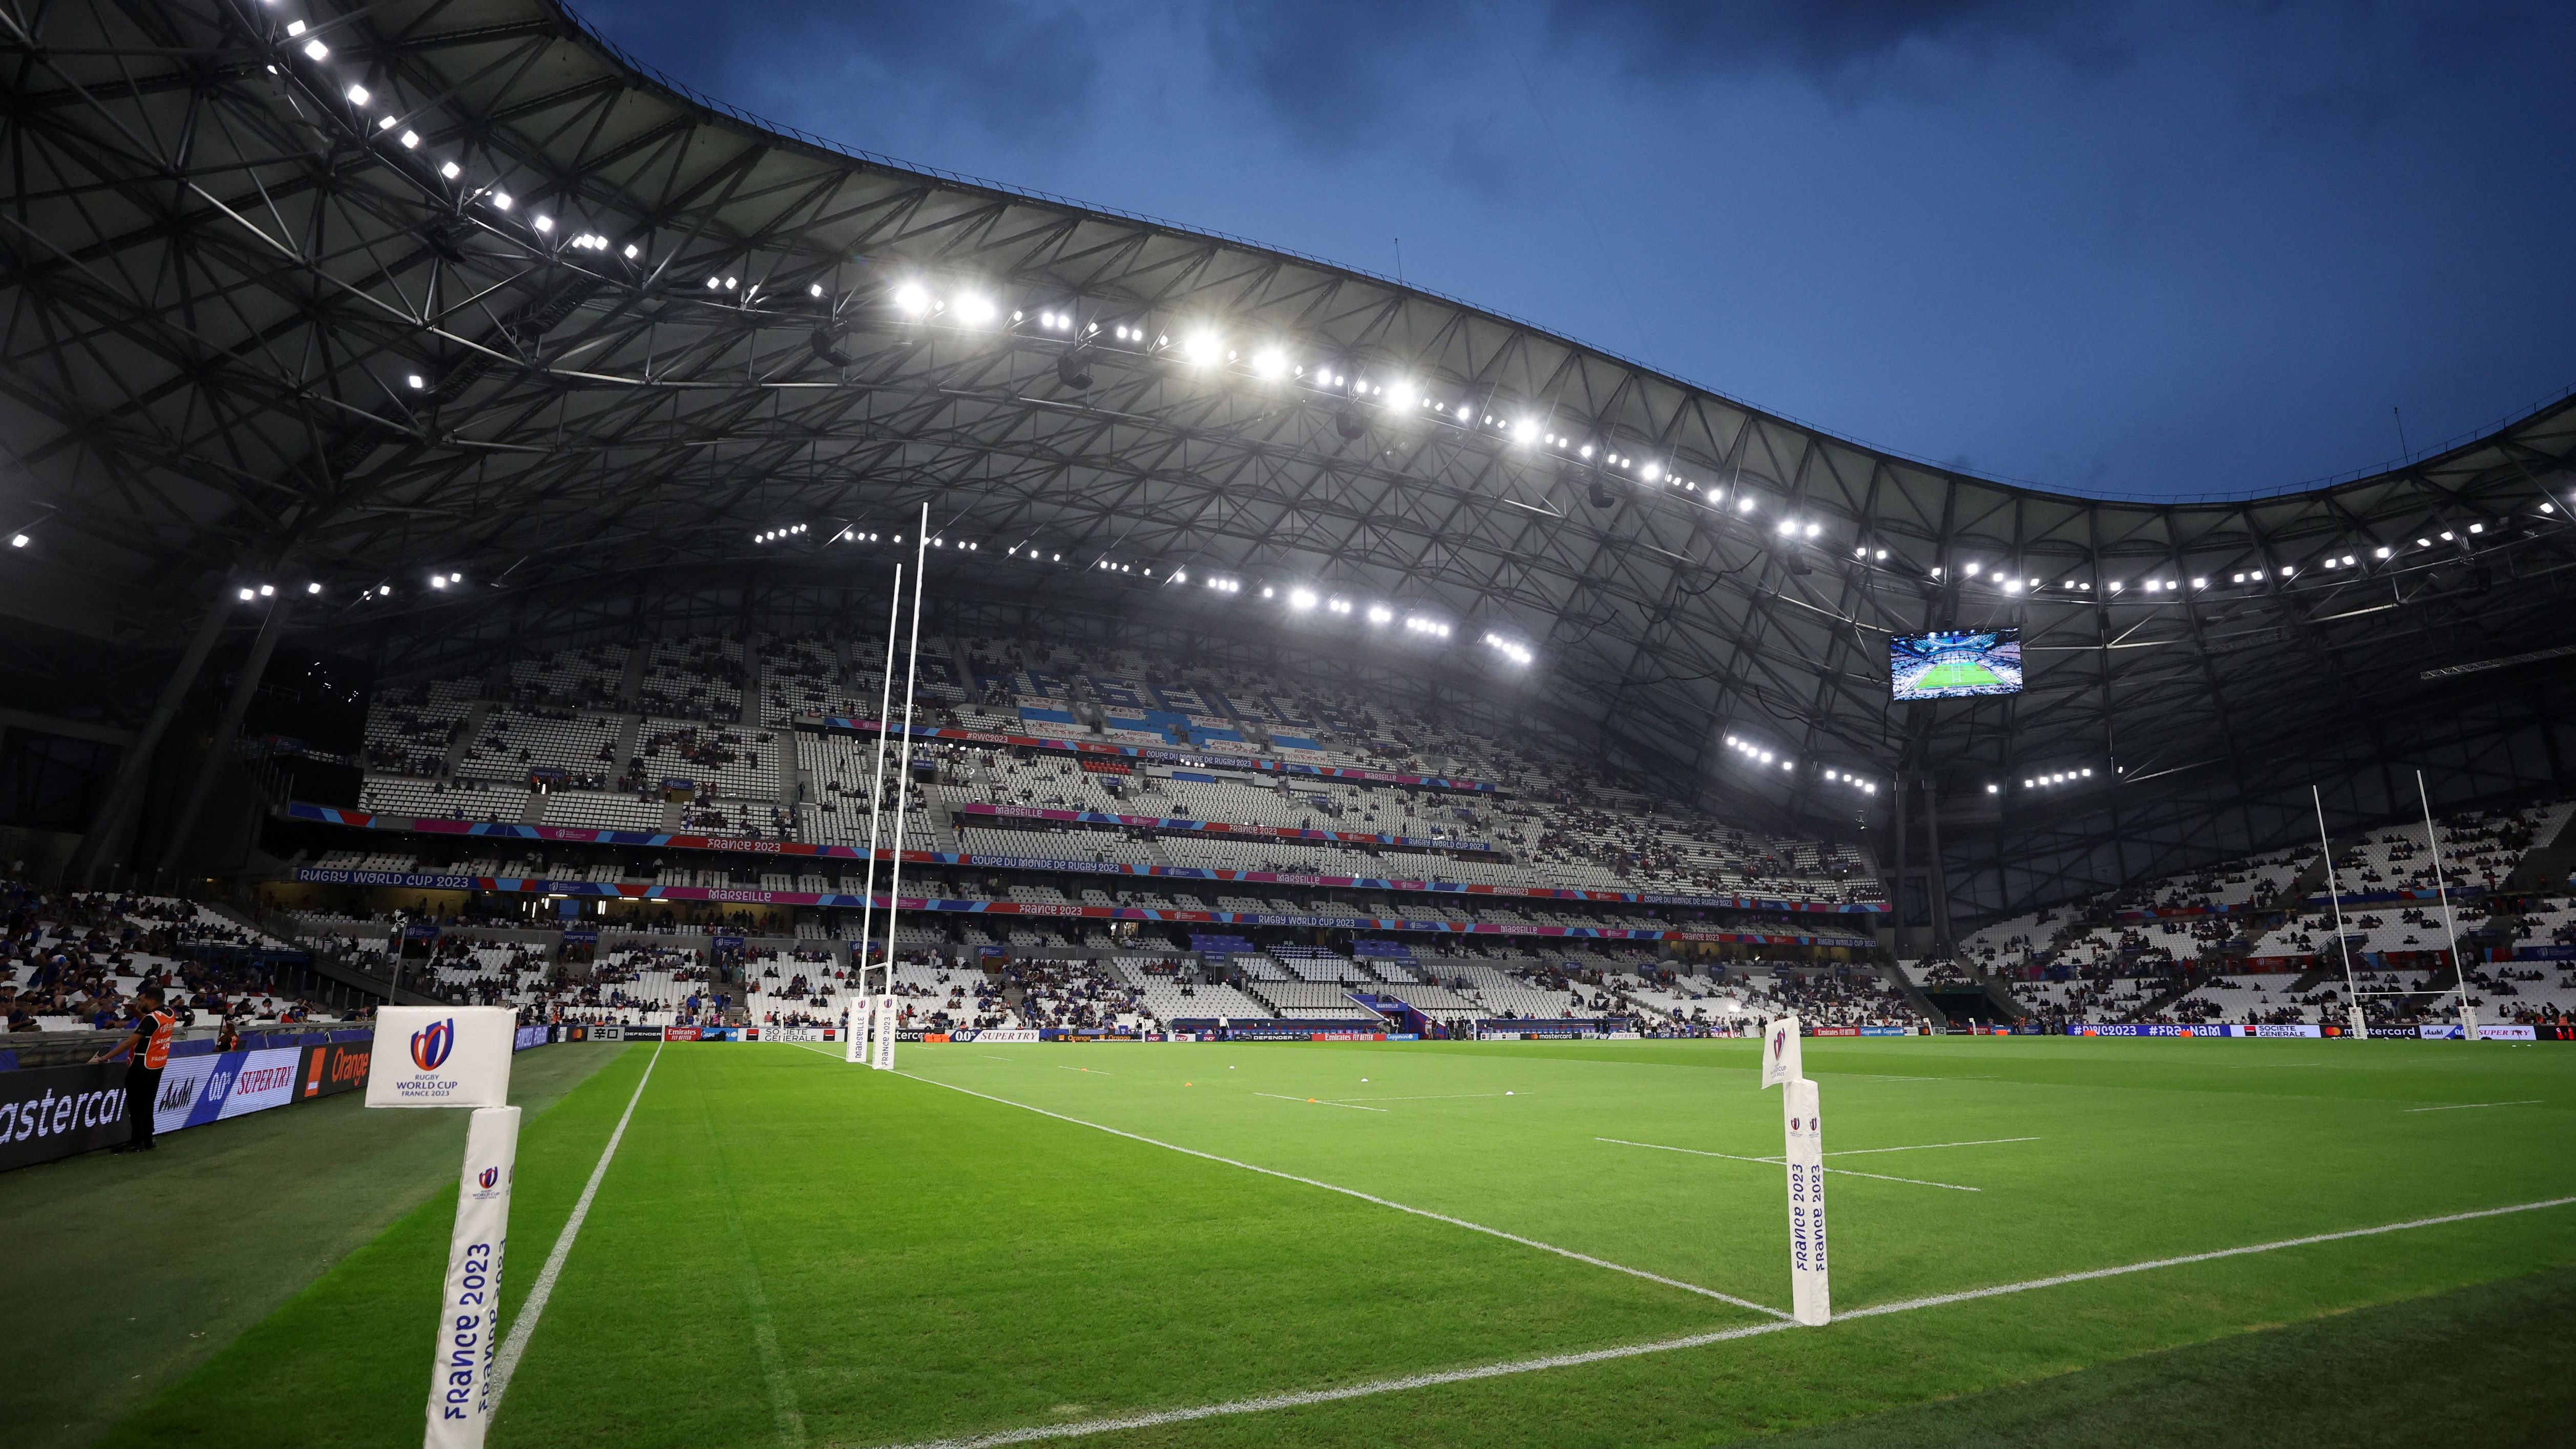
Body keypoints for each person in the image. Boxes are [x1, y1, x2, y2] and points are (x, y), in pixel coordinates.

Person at [90, 985, 173, 1154]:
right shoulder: (169, 1013)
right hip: (157, 1065)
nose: (139, 1002)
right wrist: (136, 1012)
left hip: (142, 1065)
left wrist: (104, 1058)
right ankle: (148, 1138)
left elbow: (130, 1042)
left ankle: (136, 1142)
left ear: (151, 1000)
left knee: (136, 1106)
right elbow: (150, 1024)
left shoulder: (152, 1019)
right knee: (148, 1103)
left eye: (141, 1000)